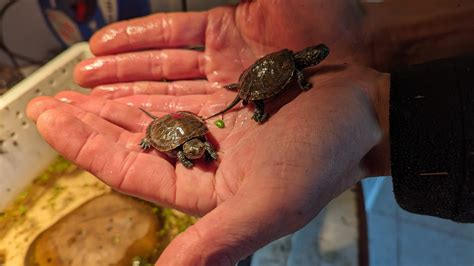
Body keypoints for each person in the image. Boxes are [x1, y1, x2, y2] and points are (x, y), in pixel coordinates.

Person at [26, 0, 474, 265]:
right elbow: (187, 142)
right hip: (250, 90)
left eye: (199, 149)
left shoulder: (300, 71)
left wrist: (375, 99)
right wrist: (364, 37)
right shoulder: (197, 140)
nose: (200, 153)